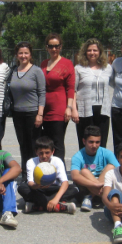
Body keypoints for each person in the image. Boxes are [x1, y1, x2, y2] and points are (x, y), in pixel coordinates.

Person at [9, 41, 46, 178]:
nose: (23, 56)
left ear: (30, 55)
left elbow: (42, 93)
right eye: (20, 53)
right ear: (16, 54)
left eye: (26, 53)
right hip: (17, 113)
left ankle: (35, 173)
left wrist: (40, 114)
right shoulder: (13, 71)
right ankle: (25, 173)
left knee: (33, 145)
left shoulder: (36, 71)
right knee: (23, 145)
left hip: (32, 113)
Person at [18, 136, 78, 214]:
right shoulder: (31, 162)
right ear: (36, 152)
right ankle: (58, 206)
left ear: (53, 151)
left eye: (47, 153)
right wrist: (37, 186)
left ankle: (37, 206)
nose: (44, 156)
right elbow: (30, 183)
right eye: (41, 153)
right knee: (22, 187)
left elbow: (65, 182)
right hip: (38, 190)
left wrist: (56, 199)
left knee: (74, 188)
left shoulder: (57, 161)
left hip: (54, 189)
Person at [72, 38, 113, 148]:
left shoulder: (108, 68)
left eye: (95, 50)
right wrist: (74, 110)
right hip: (84, 110)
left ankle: (100, 165)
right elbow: (73, 90)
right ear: (85, 52)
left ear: (100, 52)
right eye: (89, 50)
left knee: (101, 143)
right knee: (85, 142)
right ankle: (84, 165)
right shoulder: (79, 68)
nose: (92, 53)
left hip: (102, 110)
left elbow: (115, 84)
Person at [40, 33, 75, 162]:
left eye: (57, 46)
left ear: (61, 47)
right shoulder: (43, 63)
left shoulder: (67, 63)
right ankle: (46, 172)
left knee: (57, 142)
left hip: (59, 109)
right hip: (44, 108)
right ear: (46, 47)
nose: (54, 49)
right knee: (45, 142)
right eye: (51, 46)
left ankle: (59, 173)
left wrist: (69, 108)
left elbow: (70, 88)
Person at [70, 125, 120, 212]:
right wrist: (95, 184)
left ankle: (90, 196)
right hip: (87, 187)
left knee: (111, 166)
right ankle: (106, 197)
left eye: (97, 142)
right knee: (84, 171)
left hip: (103, 185)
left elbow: (119, 169)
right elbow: (74, 176)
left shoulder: (106, 153)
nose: (94, 145)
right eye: (91, 142)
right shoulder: (78, 156)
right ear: (84, 141)